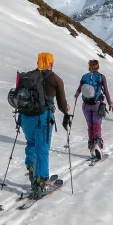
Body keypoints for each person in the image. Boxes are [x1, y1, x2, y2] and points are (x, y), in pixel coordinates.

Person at [20, 52, 71, 197]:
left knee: (31, 143)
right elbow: (62, 105)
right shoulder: (55, 79)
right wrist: (66, 109)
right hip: (42, 118)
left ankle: (31, 168)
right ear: (50, 62)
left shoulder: (27, 77)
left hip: (25, 118)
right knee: (42, 149)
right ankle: (41, 181)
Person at [74, 59, 113, 161]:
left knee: (90, 127)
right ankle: (97, 146)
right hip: (97, 104)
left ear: (89, 67)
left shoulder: (84, 76)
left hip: (85, 105)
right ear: (98, 67)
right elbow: (106, 92)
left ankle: (91, 148)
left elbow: (79, 90)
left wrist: (76, 95)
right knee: (97, 126)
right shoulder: (101, 77)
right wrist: (110, 103)